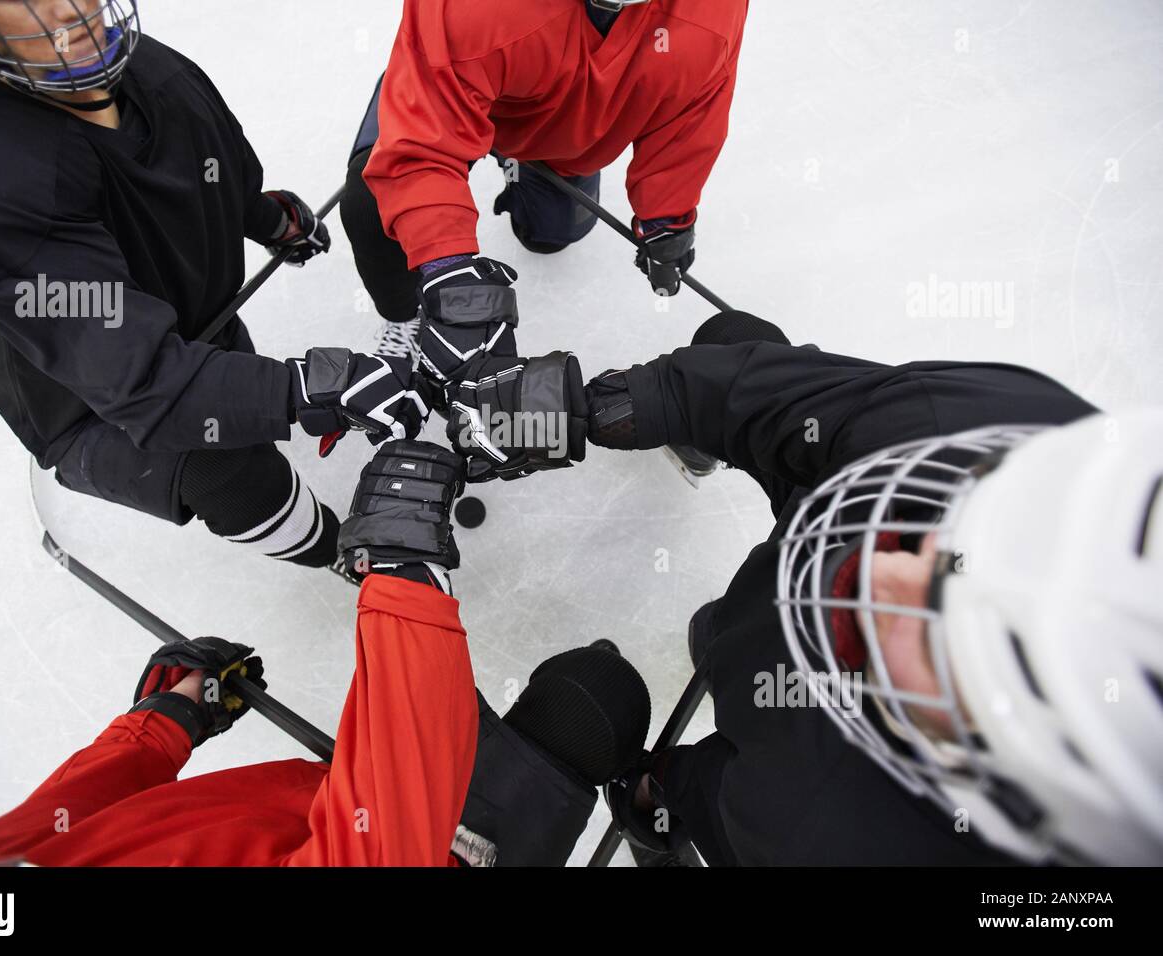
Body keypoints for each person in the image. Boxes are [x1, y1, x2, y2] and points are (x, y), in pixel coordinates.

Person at [449, 308, 1163, 865]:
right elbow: (782, 399)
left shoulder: (824, 834)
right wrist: (601, 405)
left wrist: (663, 796)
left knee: (670, 776)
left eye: (937, 641)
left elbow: (733, 802)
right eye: (952, 526)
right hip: (795, 580)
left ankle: (661, 780)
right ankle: (729, 643)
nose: (883, 570)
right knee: (736, 345)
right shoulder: (1002, 425)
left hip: (786, 756)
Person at [0, 0, 424, 580]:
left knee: (233, 393)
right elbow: (141, 379)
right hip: (84, 395)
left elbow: (215, 170)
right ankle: (337, 552)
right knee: (228, 469)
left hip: (187, 317)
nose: (67, 6)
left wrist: (269, 220)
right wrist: (315, 385)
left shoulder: (157, 72)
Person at [0, 441, 652, 867]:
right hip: (405, 838)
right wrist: (406, 585)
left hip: (337, 812)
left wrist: (164, 722)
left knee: (584, 696)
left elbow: (57, 824)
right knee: (600, 696)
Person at [339, 0, 749, 483]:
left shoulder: (711, 13)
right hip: (451, 84)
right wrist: (448, 275)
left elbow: (694, 112)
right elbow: (422, 151)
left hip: (559, 122)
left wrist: (667, 218)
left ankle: (518, 160)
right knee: (371, 204)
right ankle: (402, 315)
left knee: (552, 236)